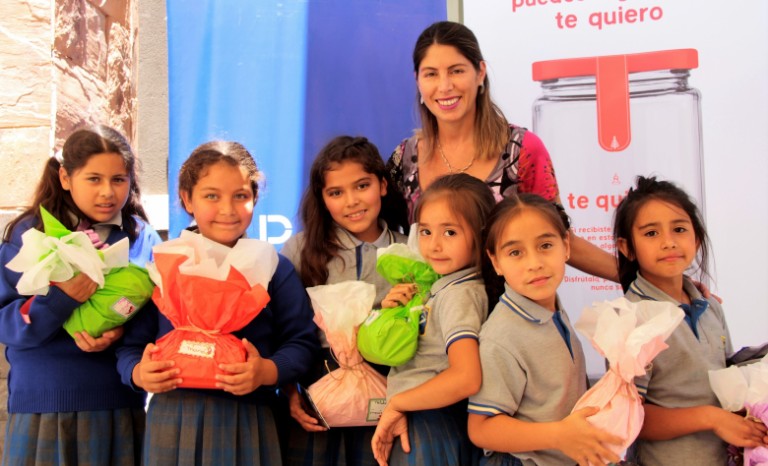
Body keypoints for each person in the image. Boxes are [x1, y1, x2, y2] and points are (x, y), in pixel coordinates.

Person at [115, 141, 319, 466]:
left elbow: (302, 342)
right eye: (212, 196)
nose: (228, 209)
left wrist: (267, 371)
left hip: (251, 420)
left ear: (254, 198)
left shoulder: (271, 267)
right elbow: (130, 346)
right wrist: (138, 373)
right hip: (172, 419)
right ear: (186, 199)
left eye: (240, 196)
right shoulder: (164, 264)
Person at [386, 20, 617, 282]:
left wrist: (640, 278)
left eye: (456, 71)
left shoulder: (522, 150)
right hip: (431, 316)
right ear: (418, 80)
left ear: (480, 72)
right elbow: (380, 234)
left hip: (512, 313)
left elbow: (560, 237)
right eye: (431, 74)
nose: (444, 86)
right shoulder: (402, 159)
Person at [0, 125, 161, 465]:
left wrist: (121, 334)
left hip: (119, 403)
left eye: (119, 179)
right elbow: (7, 323)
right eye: (93, 179)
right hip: (44, 406)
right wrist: (62, 298)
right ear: (64, 177)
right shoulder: (30, 234)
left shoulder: (142, 237)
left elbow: (158, 316)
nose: (107, 192)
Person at [613, 176, 768, 466]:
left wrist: (751, 420)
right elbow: (626, 418)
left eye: (679, 229)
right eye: (651, 234)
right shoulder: (631, 319)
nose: (668, 242)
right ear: (627, 248)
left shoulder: (710, 307)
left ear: (696, 238)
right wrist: (710, 417)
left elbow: (727, 390)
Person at [280, 136, 409, 466]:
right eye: (336, 193)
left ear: (382, 185)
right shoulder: (300, 251)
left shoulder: (410, 251)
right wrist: (289, 391)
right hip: (317, 395)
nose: (351, 201)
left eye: (362, 186)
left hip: (392, 397)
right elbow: (285, 330)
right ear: (322, 199)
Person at [467, 194, 622, 466]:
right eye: (515, 252)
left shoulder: (552, 310)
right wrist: (558, 435)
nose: (534, 263)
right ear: (495, 262)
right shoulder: (501, 336)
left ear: (566, 247)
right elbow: (482, 428)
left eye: (546, 245)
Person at [371, 173, 495, 466]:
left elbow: (467, 377)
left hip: (433, 423)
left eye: (450, 232)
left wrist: (398, 403)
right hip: (422, 419)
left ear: (481, 234)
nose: (434, 245)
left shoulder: (459, 294)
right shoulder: (442, 286)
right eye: (426, 232)